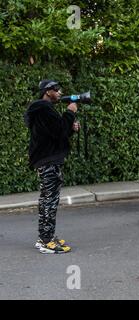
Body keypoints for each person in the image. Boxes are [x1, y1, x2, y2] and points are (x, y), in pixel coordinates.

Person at [24, 80, 79, 254]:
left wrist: (71, 128)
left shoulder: (43, 110)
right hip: (48, 161)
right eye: (57, 90)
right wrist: (70, 113)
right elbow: (59, 129)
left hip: (48, 159)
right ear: (47, 92)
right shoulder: (43, 108)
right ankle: (45, 241)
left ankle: (46, 236)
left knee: (48, 200)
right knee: (49, 201)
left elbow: (56, 134)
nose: (60, 92)